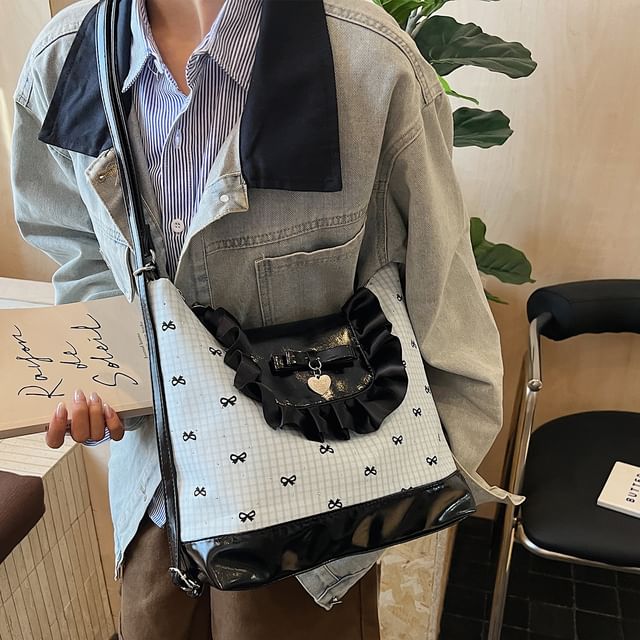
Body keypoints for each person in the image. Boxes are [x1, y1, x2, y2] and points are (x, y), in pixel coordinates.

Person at [11, 0, 515, 637]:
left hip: (315, 531)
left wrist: (387, 496)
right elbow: (78, 249)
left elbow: (447, 313)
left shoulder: (369, 65)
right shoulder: (66, 59)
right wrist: (101, 379)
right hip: (156, 507)